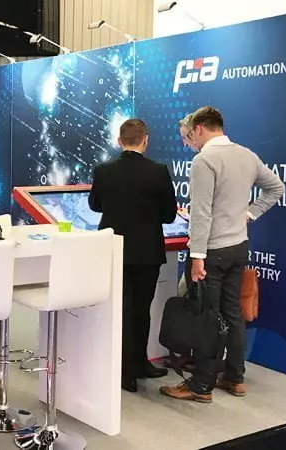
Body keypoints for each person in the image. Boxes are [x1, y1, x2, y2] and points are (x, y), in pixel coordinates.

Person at [161, 106, 285, 403]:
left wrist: (197, 256)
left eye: (191, 135)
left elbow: (201, 213)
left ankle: (200, 385)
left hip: (211, 251)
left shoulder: (205, 160)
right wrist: (250, 214)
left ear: (199, 128)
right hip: (238, 247)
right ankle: (234, 377)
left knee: (207, 318)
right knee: (232, 314)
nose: (191, 142)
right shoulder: (247, 155)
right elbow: (276, 188)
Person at [88, 118, 177, 393]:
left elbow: (94, 205)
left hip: (113, 250)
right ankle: (138, 364)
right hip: (147, 252)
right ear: (145, 140)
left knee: (121, 310)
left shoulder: (103, 170)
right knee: (141, 309)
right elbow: (169, 214)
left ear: (119, 141)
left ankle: (125, 370)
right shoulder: (158, 171)